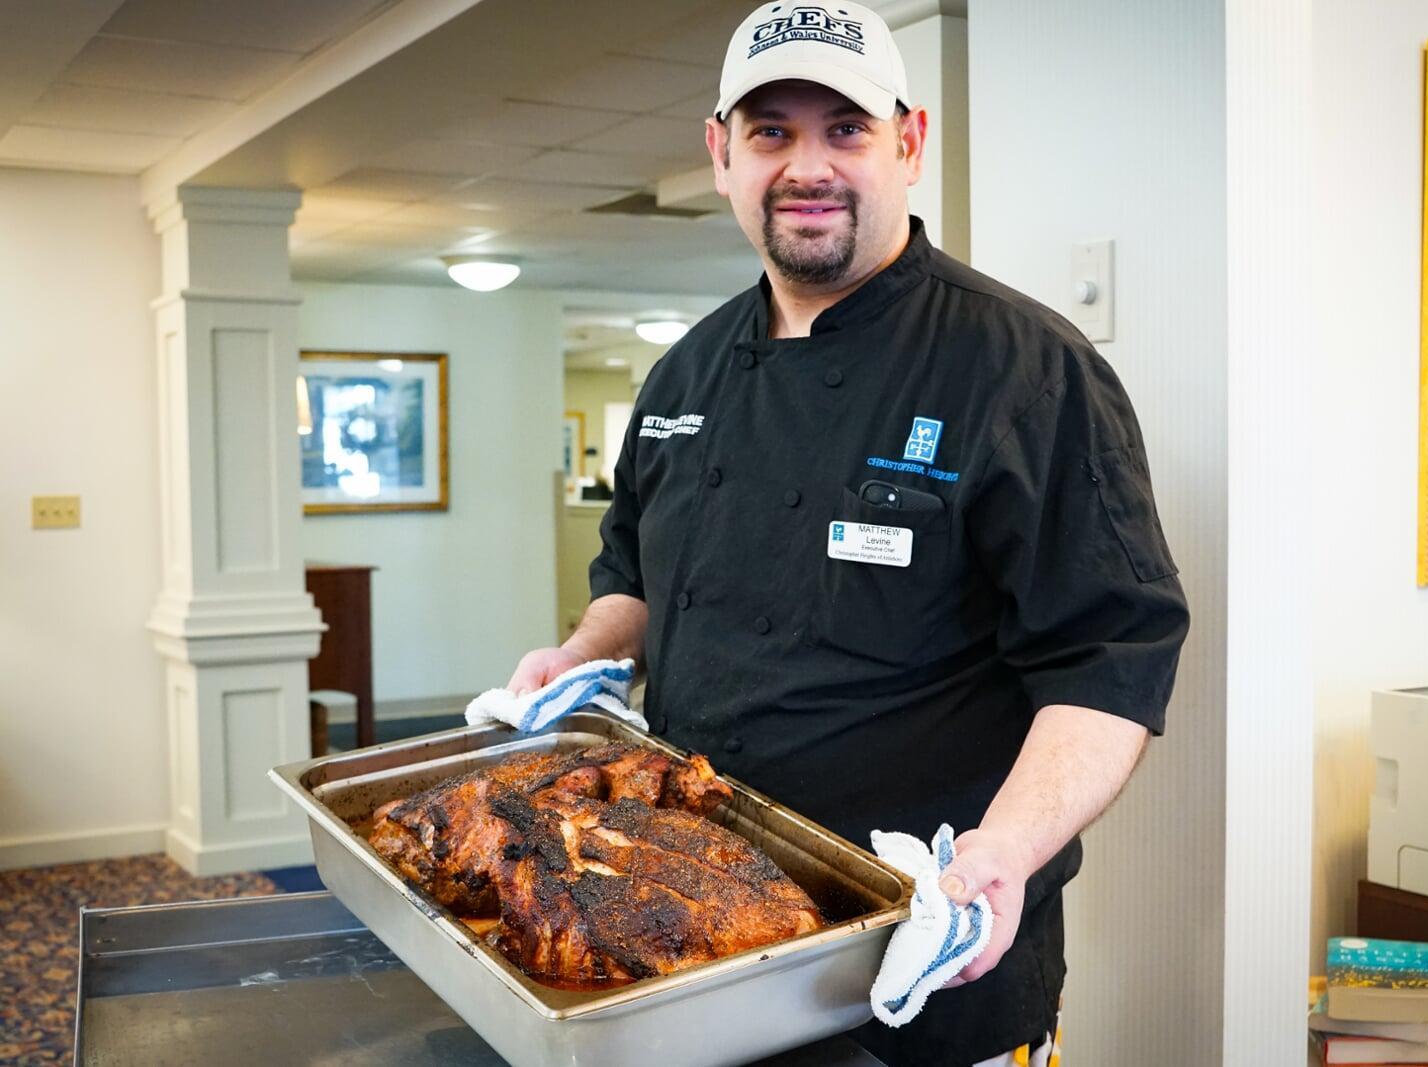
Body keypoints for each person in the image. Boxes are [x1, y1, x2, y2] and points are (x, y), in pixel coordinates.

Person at [506, 4, 1189, 1064]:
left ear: (909, 143)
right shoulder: (683, 374)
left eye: (846, 128)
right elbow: (632, 572)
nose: (807, 166)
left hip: (931, 962)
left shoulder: (1025, 370)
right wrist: (583, 652)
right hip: (694, 933)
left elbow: (1108, 663)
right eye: (771, 132)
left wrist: (1004, 851)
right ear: (720, 153)